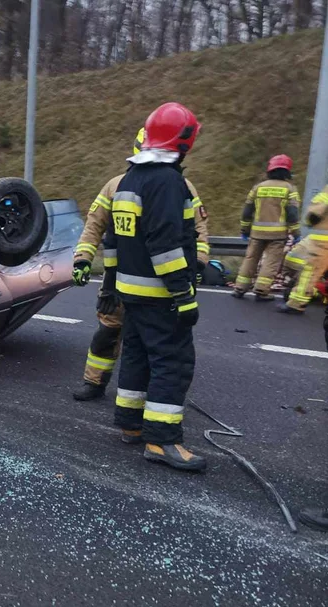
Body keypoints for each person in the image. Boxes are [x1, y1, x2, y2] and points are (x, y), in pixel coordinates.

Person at [103, 102, 206, 471]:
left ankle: (131, 425)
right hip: (160, 294)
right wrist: (183, 293)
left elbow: (113, 241)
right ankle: (162, 441)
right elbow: (166, 244)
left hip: (132, 292)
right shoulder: (167, 181)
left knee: (137, 355)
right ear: (183, 141)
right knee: (172, 362)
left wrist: (111, 285)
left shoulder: (129, 178)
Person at [71, 128, 210, 401]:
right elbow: (94, 226)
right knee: (109, 332)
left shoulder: (178, 185)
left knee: (152, 344)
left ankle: (149, 397)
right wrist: (82, 260)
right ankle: (95, 382)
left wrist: (197, 265)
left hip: (161, 283)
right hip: (118, 281)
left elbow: (197, 230)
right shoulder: (115, 185)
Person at [233, 155, 301, 300]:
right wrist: (296, 233)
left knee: (250, 258)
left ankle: (239, 288)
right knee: (271, 262)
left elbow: (247, 211)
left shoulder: (258, 188)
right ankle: (261, 290)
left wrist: (245, 230)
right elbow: (293, 215)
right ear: (287, 171)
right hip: (277, 235)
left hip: (256, 233)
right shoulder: (290, 189)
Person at [277, 184, 328, 319]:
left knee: (310, 272)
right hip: (320, 239)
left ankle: (296, 303)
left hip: (322, 239)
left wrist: (310, 221)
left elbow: (315, 213)